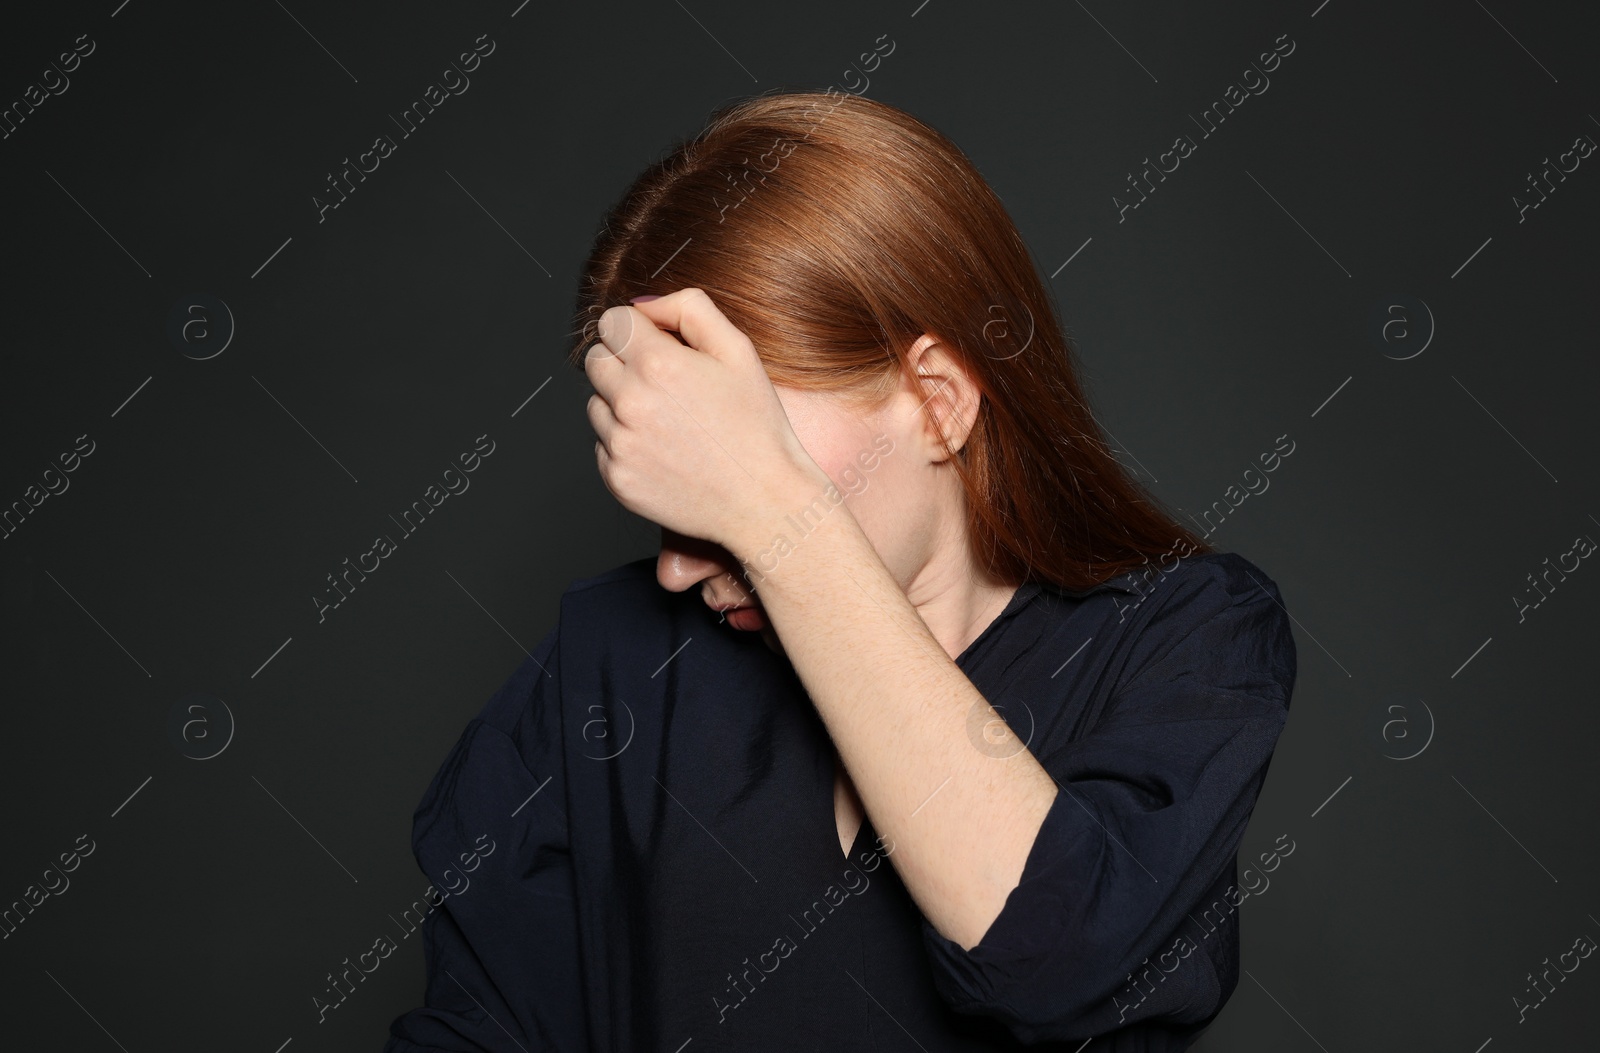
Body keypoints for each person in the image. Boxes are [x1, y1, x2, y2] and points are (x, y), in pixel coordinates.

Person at [382, 90, 1296, 1052]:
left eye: (733, 456)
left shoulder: (1184, 644)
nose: (679, 566)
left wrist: (777, 514)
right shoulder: (607, 667)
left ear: (938, 403)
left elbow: (1058, 952)